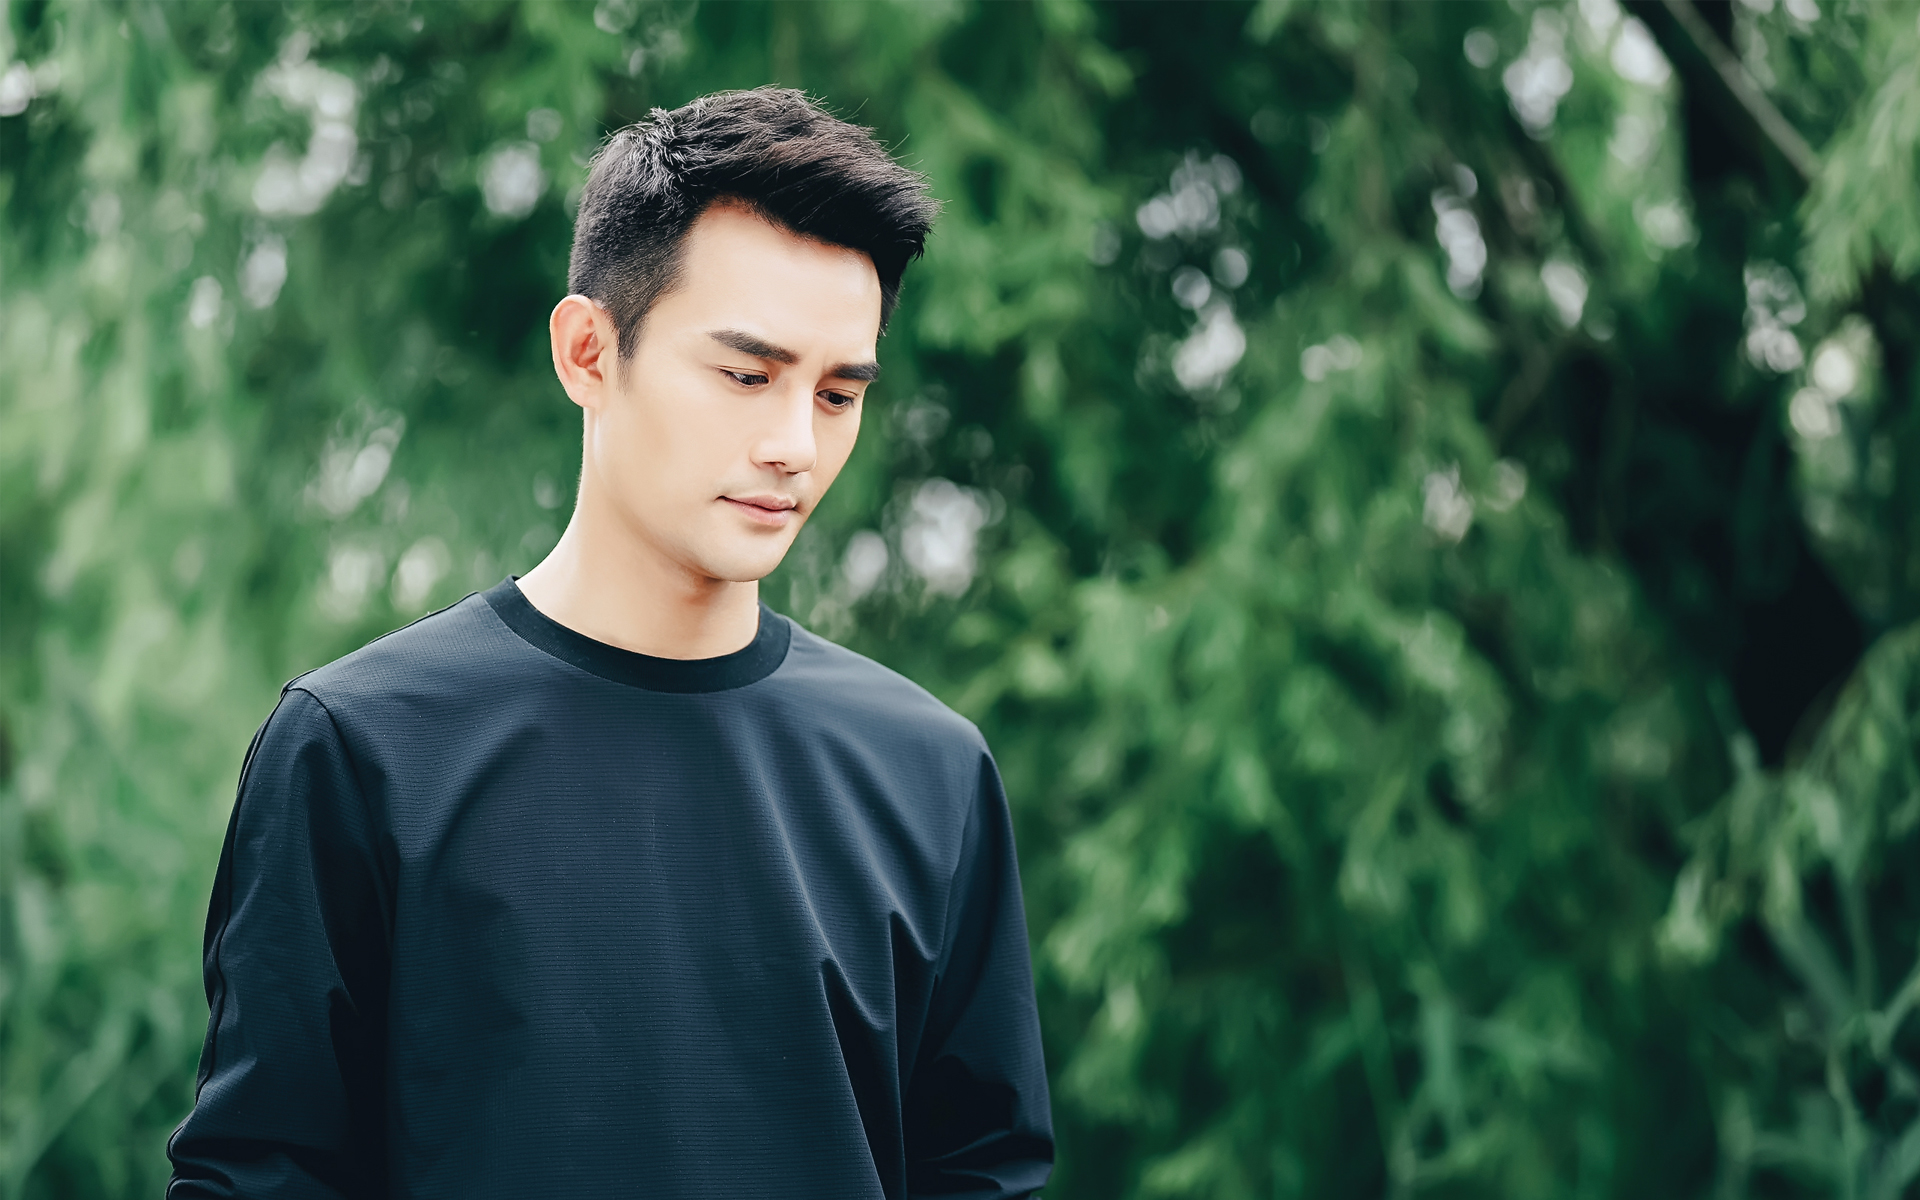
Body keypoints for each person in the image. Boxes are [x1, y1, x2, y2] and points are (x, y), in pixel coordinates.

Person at [166, 87, 1053, 1199]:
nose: (793, 443)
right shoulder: (362, 750)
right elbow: (260, 1174)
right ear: (588, 351)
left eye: (837, 394)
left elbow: (983, 1173)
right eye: (747, 375)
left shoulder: (930, 772)